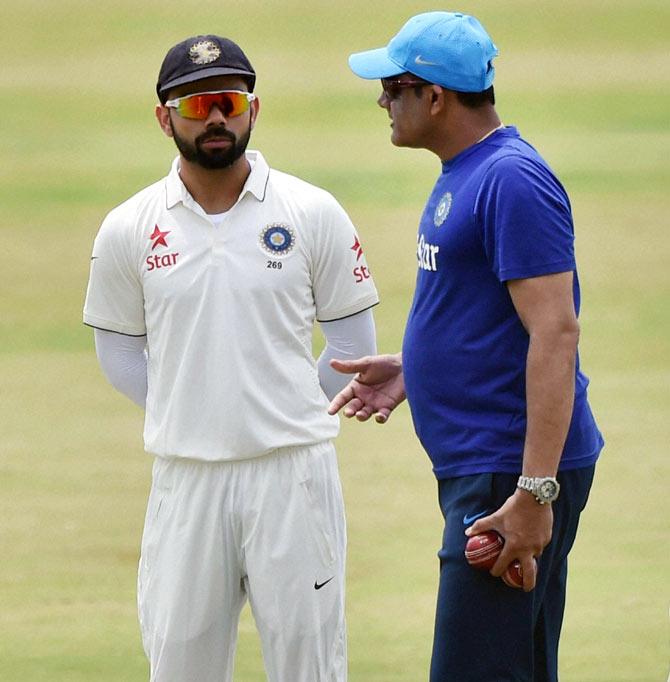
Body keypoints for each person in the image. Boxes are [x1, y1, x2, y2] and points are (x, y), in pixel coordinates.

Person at [83, 34, 379, 682]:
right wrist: (200, 405)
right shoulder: (129, 226)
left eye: (227, 101)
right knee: (181, 666)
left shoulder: (311, 212)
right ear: (165, 118)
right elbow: (118, 351)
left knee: (310, 668)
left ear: (253, 109)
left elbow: (355, 346)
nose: (215, 117)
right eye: (195, 107)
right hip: (186, 477)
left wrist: (279, 403)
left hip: (293, 475)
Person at [329, 12, 604, 682]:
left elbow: (555, 330)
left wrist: (534, 494)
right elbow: (491, 313)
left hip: (506, 476)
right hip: (492, 466)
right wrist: (415, 367)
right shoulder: (468, 170)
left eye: (394, 87)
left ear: (435, 96)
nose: (382, 101)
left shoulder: (510, 179)